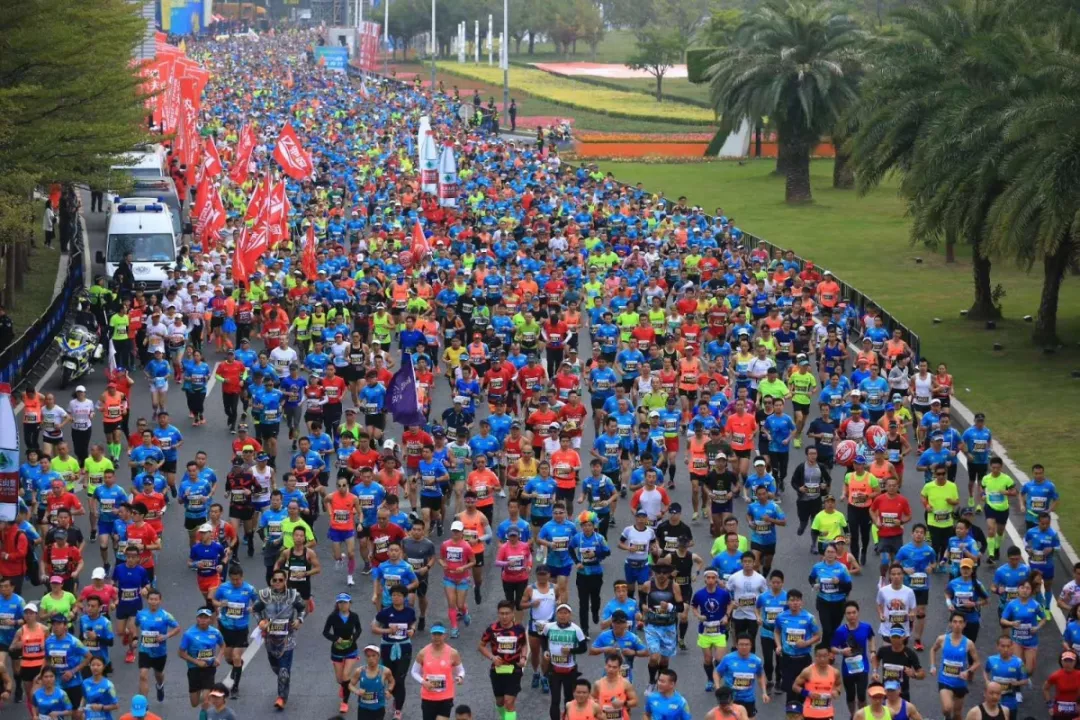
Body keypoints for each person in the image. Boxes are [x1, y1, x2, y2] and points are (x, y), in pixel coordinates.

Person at [253, 568, 308, 710]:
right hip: (270, 638)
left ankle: (281, 698)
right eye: (275, 580)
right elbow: (256, 610)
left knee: (283, 670)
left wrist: (299, 620)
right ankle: (284, 679)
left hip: (287, 637)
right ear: (271, 581)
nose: (277, 582)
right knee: (276, 667)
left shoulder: (293, 595)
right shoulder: (264, 595)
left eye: (280, 580)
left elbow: (303, 609)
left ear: (285, 581)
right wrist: (260, 621)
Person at [478, 599, 528, 720]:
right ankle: (504, 717)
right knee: (500, 702)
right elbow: (481, 646)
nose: (504, 616)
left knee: (509, 702)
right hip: (497, 668)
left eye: (507, 613)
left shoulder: (519, 629)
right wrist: (492, 657)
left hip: (514, 668)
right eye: (501, 613)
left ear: (512, 614)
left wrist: (523, 658)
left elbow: (524, 645)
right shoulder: (492, 629)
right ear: (498, 614)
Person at [930, 612, 982, 720]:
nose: (957, 625)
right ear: (950, 623)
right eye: (955, 622)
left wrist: (968, 671)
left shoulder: (968, 643)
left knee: (957, 714)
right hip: (944, 680)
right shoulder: (942, 639)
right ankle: (946, 717)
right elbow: (933, 650)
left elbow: (977, 662)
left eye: (960, 622)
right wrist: (932, 666)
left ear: (964, 624)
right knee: (947, 708)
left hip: (960, 682)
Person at [411, 623, 464, 720]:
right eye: (434, 634)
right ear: (431, 635)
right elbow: (414, 671)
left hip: (446, 697)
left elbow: (461, 671)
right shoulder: (423, 653)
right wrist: (423, 682)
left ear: (445, 635)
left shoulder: (453, 653)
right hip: (428, 697)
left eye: (439, 634)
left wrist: (460, 677)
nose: (437, 637)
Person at [792, 644, 842, 720]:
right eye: (819, 656)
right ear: (815, 656)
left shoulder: (835, 672)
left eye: (825, 656)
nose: (822, 659)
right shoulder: (807, 671)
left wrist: (837, 691)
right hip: (810, 714)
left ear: (829, 656)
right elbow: (795, 686)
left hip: (828, 714)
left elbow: (838, 685)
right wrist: (808, 693)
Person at [350, 644, 395, 720]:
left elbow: (392, 681)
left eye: (373, 655)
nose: (371, 658)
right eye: (368, 656)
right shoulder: (360, 671)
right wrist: (357, 691)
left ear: (378, 656)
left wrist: (389, 690)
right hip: (363, 708)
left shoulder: (385, 671)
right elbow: (350, 685)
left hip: (378, 708)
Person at [591, 650, 638, 720]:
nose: (611, 669)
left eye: (614, 667)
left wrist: (623, 704)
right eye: (609, 666)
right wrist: (595, 704)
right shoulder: (598, 684)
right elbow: (591, 698)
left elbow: (635, 701)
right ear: (605, 666)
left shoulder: (625, 683)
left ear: (619, 668)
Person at [1044, 649, 1080, 720]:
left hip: (1076, 709)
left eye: (1071, 661)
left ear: (1075, 662)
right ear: (1061, 662)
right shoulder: (1055, 675)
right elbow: (1045, 689)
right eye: (1065, 661)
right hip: (1059, 710)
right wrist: (1050, 706)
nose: (1068, 663)